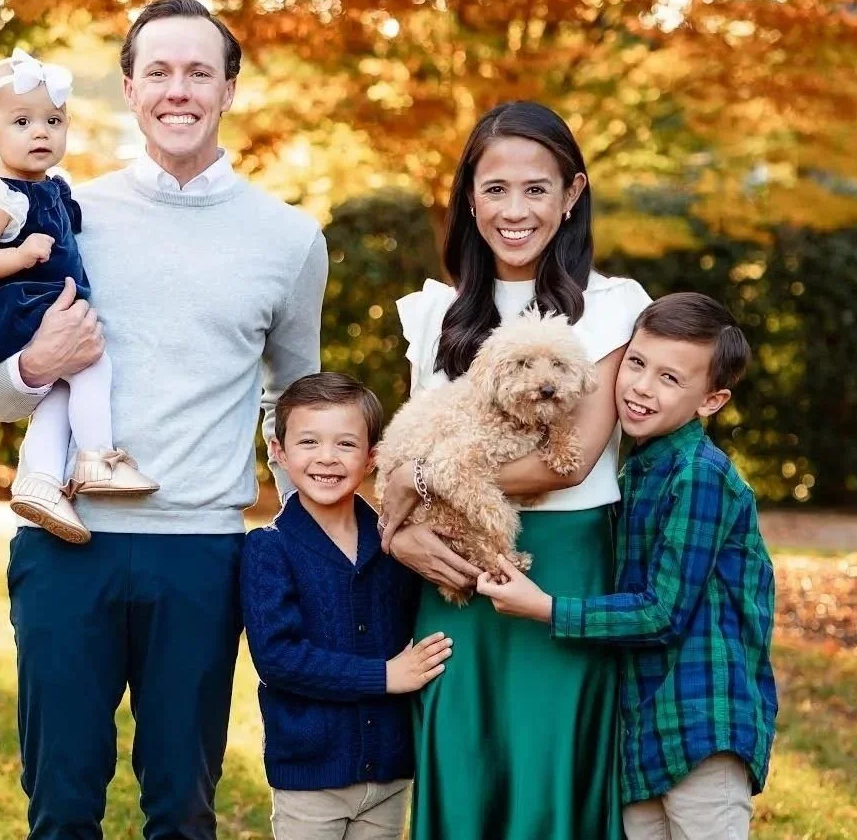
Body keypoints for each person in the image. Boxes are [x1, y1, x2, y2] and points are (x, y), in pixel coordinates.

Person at [0, 0, 328, 840]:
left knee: (184, 812)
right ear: (129, 89)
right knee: (60, 808)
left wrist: (310, 534)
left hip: (201, 555)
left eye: (199, 72)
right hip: (64, 547)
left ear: (229, 89)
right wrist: (34, 365)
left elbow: (295, 400)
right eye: (158, 71)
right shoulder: (56, 215)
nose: (178, 90)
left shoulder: (289, 239)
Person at [379, 100, 651, 840]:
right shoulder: (436, 314)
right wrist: (401, 535)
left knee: (548, 764)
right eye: (495, 189)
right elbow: (405, 452)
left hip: (562, 569)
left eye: (537, 188)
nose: (515, 210)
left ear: (572, 194)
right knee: (464, 762)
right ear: (469, 198)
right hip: (451, 571)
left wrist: (430, 479)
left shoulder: (612, 306)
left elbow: (569, 463)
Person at [476, 292, 778, 840]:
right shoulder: (636, 469)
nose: (640, 386)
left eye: (670, 378)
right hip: (643, 731)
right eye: (636, 363)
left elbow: (662, 613)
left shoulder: (699, 475)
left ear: (711, 401)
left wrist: (545, 608)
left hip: (701, 721)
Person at [0, 48, 158, 544]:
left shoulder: (57, 188)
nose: (40, 132)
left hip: (43, 307)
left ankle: (41, 482)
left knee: (61, 391)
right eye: (22, 122)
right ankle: (96, 459)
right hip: (17, 310)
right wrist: (20, 255)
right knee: (92, 365)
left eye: (53, 120)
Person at [241, 372, 453, 840]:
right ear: (279, 452)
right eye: (308, 441)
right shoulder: (269, 548)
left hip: (390, 774)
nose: (326, 457)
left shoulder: (395, 546)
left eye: (346, 444)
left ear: (372, 457)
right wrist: (384, 676)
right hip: (310, 778)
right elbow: (278, 658)